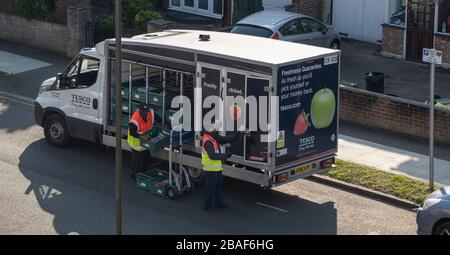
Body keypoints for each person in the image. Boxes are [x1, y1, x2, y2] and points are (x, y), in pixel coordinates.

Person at [201, 124, 239, 212]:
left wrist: (237, 135)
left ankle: (219, 204)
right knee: (210, 188)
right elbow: (212, 156)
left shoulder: (213, 138)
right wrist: (225, 155)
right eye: (214, 128)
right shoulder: (208, 141)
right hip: (210, 170)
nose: (216, 129)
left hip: (216, 169)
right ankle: (207, 206)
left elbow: (223, 139)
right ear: (209, 129)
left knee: (217, 187)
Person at [128, 103, 155, 178]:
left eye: (146, 111)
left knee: (146, 158)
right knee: (137, 161)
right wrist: (141, 137)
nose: (145, 113)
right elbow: (132, 132)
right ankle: (134, 175)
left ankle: (144, 174)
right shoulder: (135, 120)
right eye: (143, 111)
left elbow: (154, 120)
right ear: (140, 111)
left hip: (145, 143)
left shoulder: (150, 114)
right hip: (136, 144)